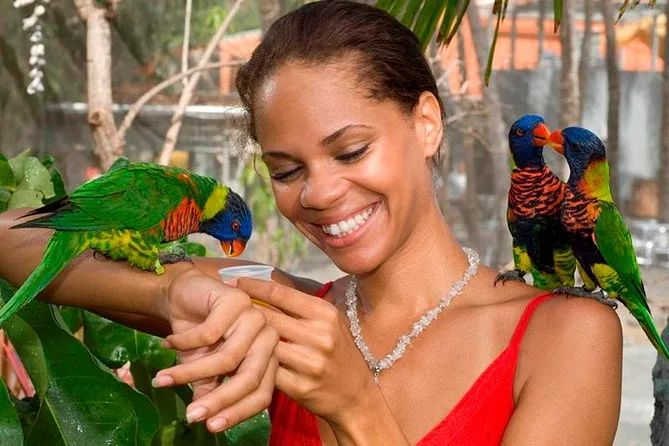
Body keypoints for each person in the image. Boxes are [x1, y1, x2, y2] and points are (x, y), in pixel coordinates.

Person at [0, 2, 622, 444]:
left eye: (351, 151)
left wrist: (355, 406)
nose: (319, 193)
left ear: (427, 124)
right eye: (287, 170)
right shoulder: (277, 307)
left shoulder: (566, 335)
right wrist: (169, 291)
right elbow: (11, 240)